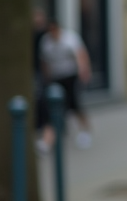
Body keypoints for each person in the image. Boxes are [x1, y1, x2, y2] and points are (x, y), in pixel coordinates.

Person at [37, 19, 93, 151]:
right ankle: (48, 140)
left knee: (75, 105)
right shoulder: (46, 42)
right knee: (52, 107)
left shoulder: (70, 38)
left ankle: (85, 131)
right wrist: (46, 78)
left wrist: (84, 71)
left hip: (71, 76)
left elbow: (81, 55)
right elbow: (44, 61)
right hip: (56, 78)